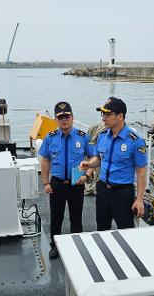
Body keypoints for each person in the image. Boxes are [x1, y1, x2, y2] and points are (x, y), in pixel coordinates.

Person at [80, 97, 147, 230]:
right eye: (102, 114)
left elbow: (141, 172)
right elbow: (99, 158)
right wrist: (89, 164)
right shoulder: (102, 135)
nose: (103, 118)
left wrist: (139, 199)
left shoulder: (135, 141)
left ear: (120, 116)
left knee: (126, 229)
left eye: (108, 114)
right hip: (103, 189)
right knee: (102, 228)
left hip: (122, 193)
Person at [39, 102, 95, 259]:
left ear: (72, 117)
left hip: (76, 182)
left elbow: (93, 158)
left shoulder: (83, 137)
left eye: (67, 116)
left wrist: (87, 175)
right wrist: (46, 182)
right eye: (60, 117)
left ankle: (76, 245)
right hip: (57, 183)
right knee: (56, 217)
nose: (64, 120)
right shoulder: (50, 138)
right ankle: (55, 246)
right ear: (56, 119)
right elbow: (45, 160)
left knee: (76, 217)